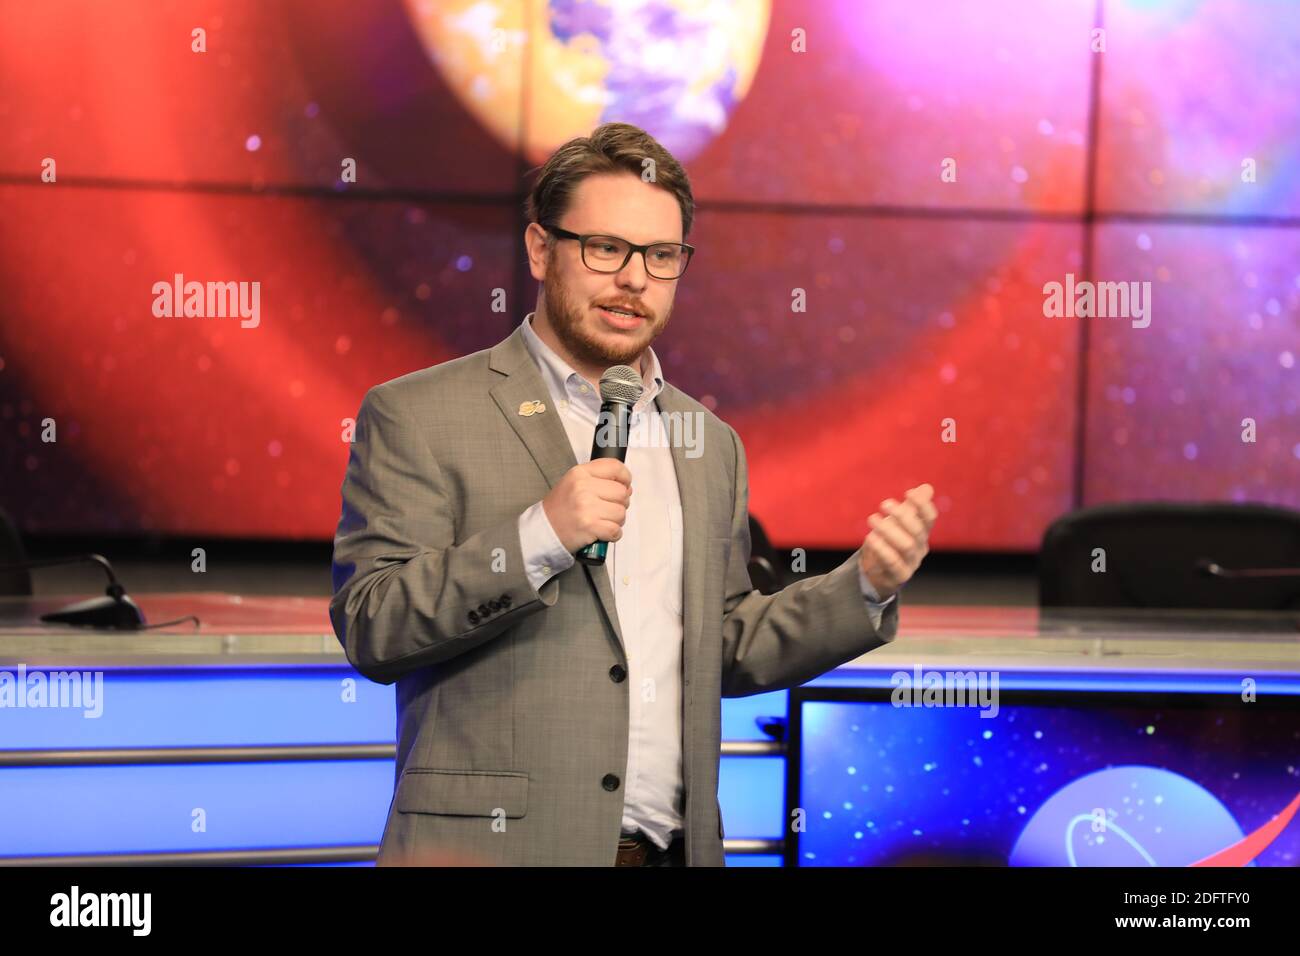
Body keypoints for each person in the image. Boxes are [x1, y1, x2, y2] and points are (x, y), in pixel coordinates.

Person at [329, 121, 937, 867]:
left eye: (661, 256)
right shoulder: (419, 413)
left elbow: (723, 644)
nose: (634, 280)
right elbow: (373, 625)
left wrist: (864, 587)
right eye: (606, 248)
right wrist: (540, 535)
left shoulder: (707, 442)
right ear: (540, 248)